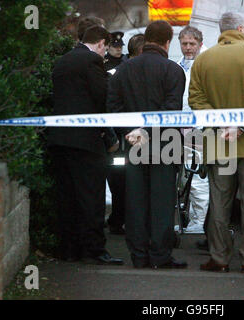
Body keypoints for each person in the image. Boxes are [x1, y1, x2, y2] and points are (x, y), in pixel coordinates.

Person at [189, 12, 244, 273]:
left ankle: (219, 258)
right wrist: (242, 125)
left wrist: (221, 124)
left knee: (219, 203)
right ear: (240, 28)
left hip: (218, 142)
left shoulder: (204, 59)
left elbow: (196, 100)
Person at [106, 20, 187, 269]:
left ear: (147, 38)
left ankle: (139, 255)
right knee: (162, 202)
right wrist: (146, 130)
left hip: (134, 144)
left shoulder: (123, 70)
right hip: (165, 142)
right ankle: (160, 255)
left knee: (136, 201)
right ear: (168, 41)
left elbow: (113, 108)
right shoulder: (174, 71)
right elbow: (171, 109)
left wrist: (130, 131)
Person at [48, 25, 123, 265]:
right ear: (101, 43)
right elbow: (103, 97)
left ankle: (68, 249)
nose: (105, 54)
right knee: (91, 197)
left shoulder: (63, 60)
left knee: (67, 197)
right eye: (105, 49)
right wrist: (109, 133)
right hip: (86, 141)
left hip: (60, 139)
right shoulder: (91, 61)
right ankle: (94, 249)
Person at [106, 33, 145, 235]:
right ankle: (118, 219)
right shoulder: (117, 73)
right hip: (122, 140)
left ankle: (127, 220)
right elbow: (110, 106)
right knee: (120, 183)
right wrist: (116, 136)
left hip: (138, 137)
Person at [176, 26, 209, 235]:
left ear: (200, 43)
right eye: (184, 44)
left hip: (200, 127)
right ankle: (186, 219)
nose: (188, 48)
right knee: (183, 177)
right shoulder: (180, 64)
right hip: (181, 127)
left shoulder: (206, 63)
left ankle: (199, 222)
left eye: (192, 44)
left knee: (198, 178)